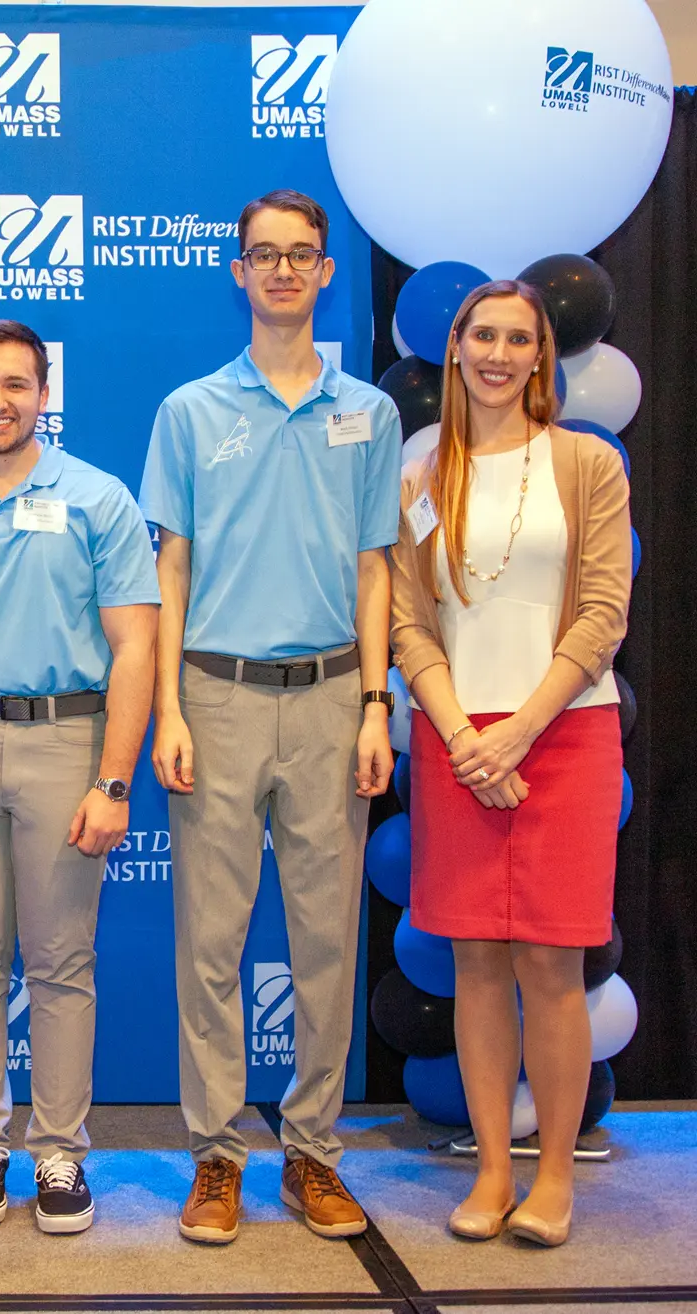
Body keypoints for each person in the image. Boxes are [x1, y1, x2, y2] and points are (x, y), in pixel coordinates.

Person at [143, 189, 399, 1244]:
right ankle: (215, 1155)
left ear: (326, 272)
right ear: (236, 272)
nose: (283, 271)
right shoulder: (191, 411)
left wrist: (378, 704)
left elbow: (375, 567)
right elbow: (171, 567)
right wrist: (167, 707)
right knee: (209, 942)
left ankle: (312, 1154)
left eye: (301, 255)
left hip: (336, 697)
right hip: (214, 694)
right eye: (263, 255)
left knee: (325, 942)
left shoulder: (369, 413)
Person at [0, 320, 159, 1235]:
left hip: (68, 744)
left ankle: (57, 1151)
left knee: (59, 962)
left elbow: (137, 647)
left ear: (44, 393)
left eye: (16, 384)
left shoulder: (99, 498)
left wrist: (116, 780)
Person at [391, 281, 630, 1248]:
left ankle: (555, 1178)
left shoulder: (584, 464)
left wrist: (518, 732)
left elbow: (605, 610)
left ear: (542, 357)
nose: (497, 352)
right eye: (481, 334)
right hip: (458, 738)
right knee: (478, 965)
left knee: (552, 963)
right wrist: (459, 734)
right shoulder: (424, 479)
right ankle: (492, 1171)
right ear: (455, 349)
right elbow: (410, 623)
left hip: (563, 731)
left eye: (517, 338)